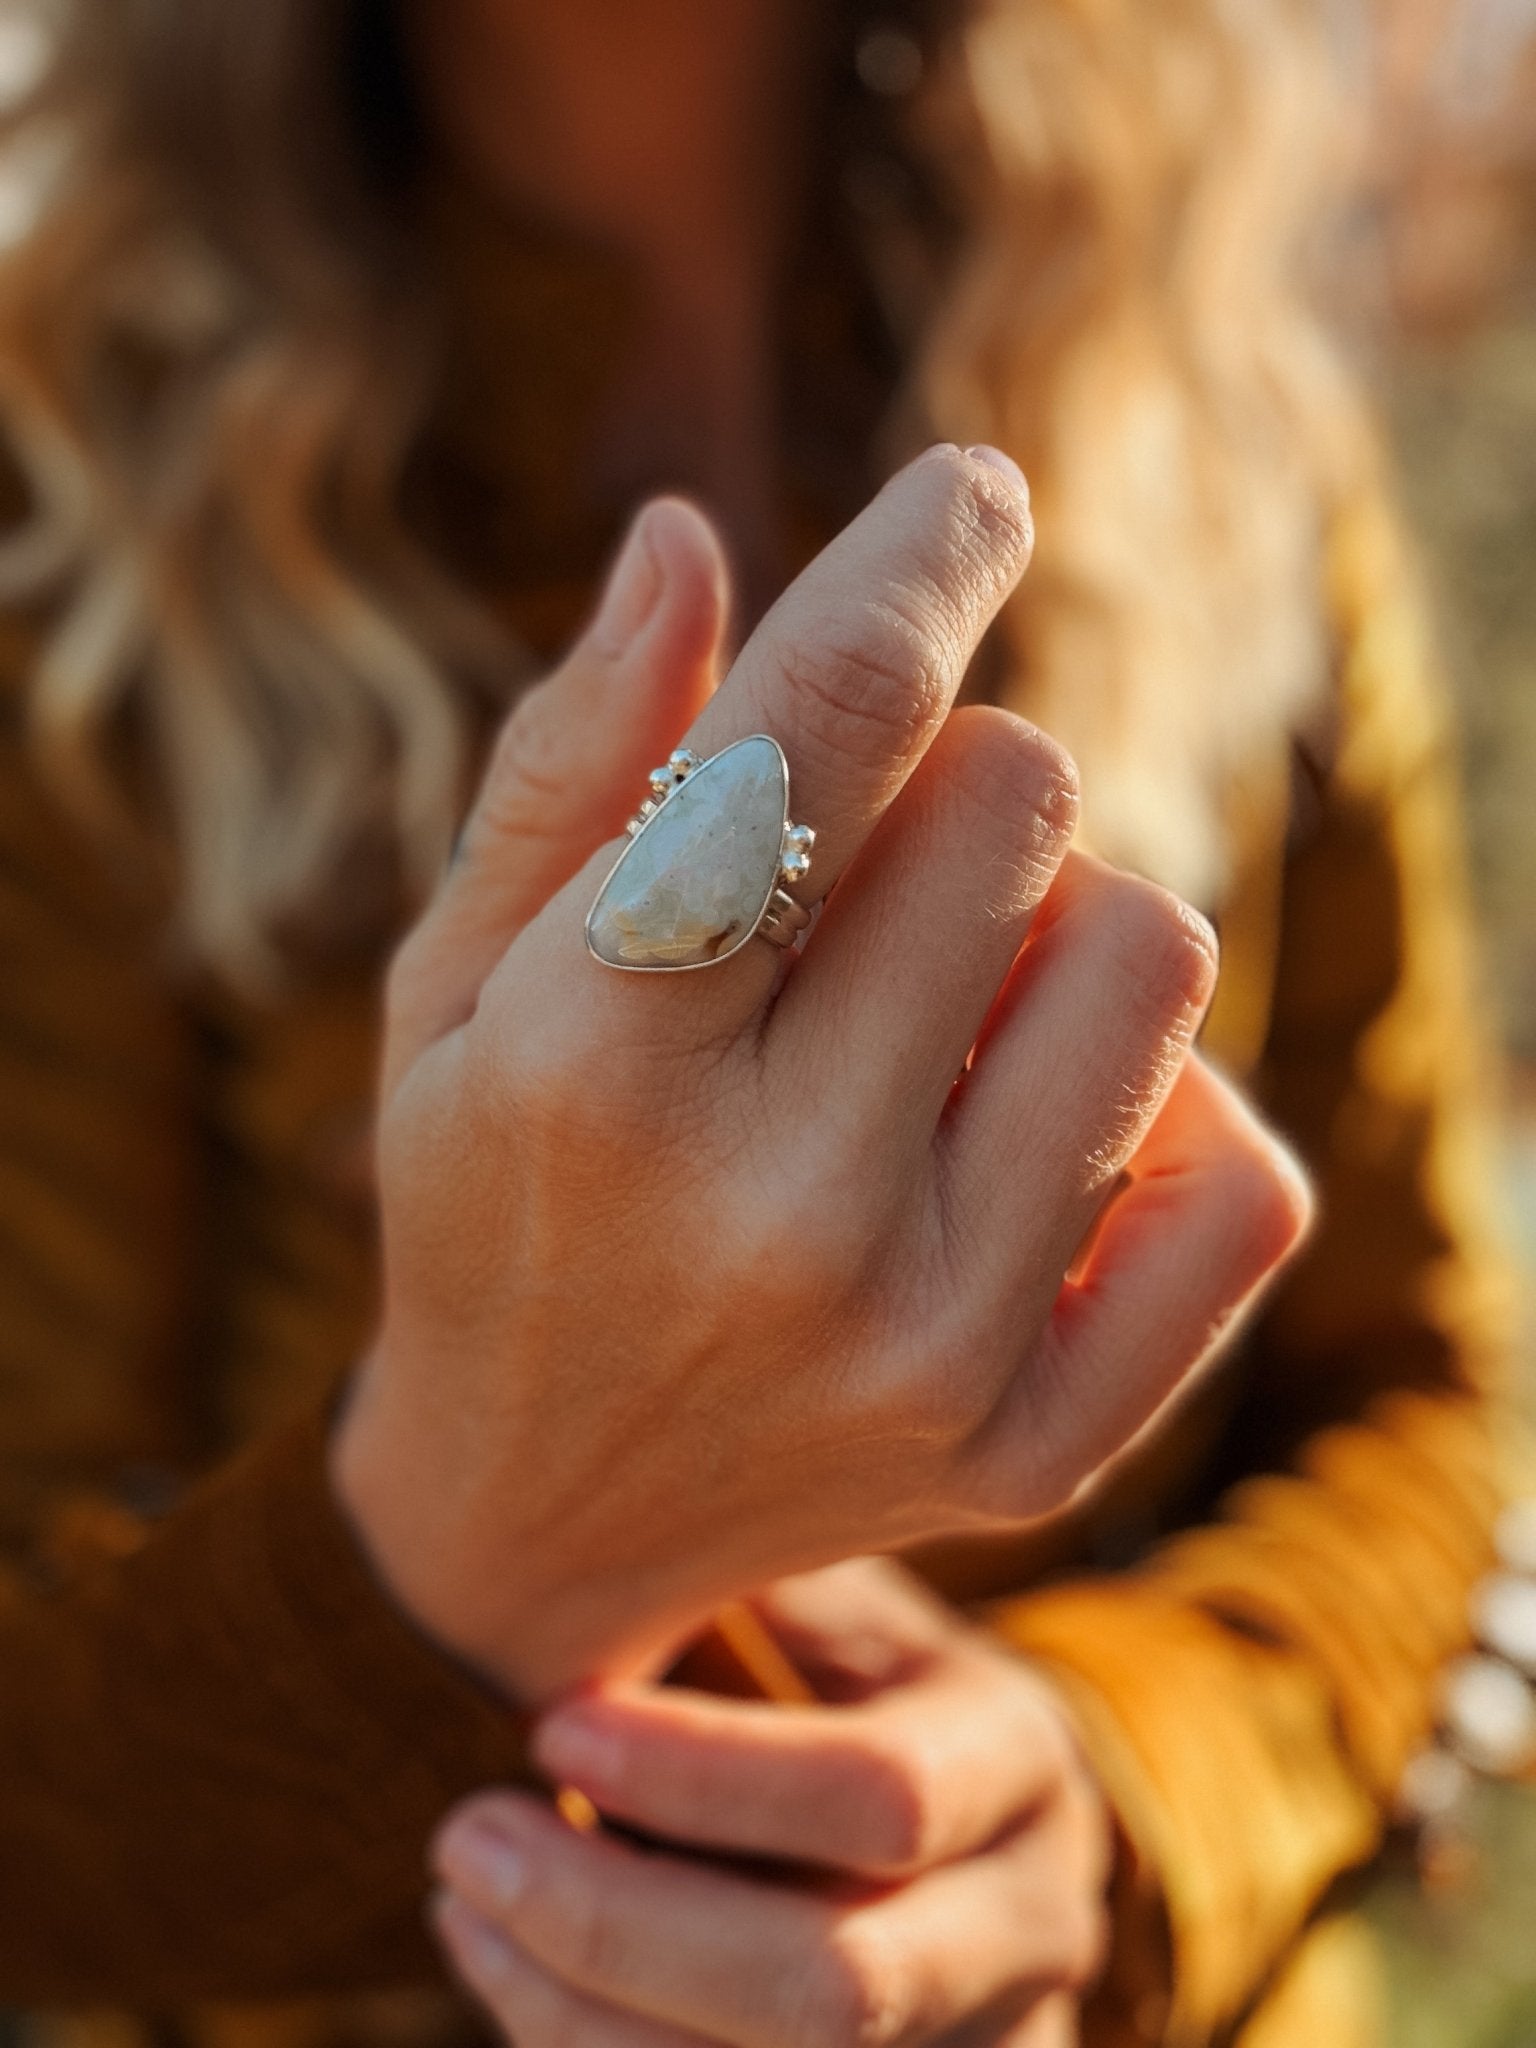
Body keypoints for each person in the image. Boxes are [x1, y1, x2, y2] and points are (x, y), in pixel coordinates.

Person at [0, 2, 1510, 2045]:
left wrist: (1109, 1798)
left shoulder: (1220, 412)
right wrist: (457, 1534)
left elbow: (1433, 1386)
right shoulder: (64, 487)